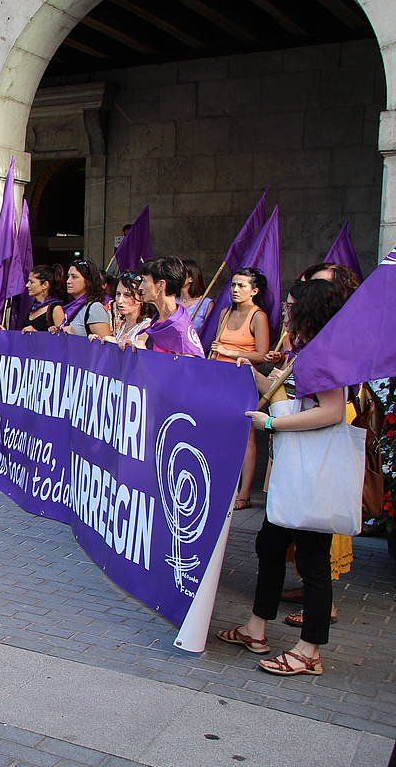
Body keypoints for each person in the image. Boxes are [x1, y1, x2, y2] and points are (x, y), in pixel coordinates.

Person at [217, 279, 351, 677]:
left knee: (312, 558)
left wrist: (273, 423)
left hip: (312, 470)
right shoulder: (305, 351)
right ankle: (257, 628)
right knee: (270, 545)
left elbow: (332, 411)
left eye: (292, 307)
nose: (285, 313)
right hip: (296, 466)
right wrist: (255, 375)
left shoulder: (324, 353)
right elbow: (285, 392)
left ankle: (310, 649)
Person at [209, 267, 272, 510]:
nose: (235, 290)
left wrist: (232, 352)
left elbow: (263, 354)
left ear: (254, 291)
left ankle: (244, 492)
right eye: (233, 285)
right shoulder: (224, 312)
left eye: (242, 286)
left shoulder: (258, 316)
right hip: (217, 379)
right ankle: (221, 485)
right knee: (217, 433)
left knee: (246, 436)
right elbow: (215, 345)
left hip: (241, 380)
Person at [140, 256, 204, 357]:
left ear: (161, 285)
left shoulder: (179, 329)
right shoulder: (158, 319)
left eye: (144, 281)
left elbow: (188, 368)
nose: (140, 287)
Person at [54, 260, 111, 339]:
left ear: (88, 281)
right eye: (68, 276)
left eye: (74, 277)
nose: (68, 281)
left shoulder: (95, 308)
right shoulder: (72, 306)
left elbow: (105, 346)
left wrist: (74, 337)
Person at [97, 272, 153, 350]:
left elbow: (142, 356)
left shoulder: (146, 327)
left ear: (141, 298)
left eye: (127, 295)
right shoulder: (123, 324)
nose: (120, 301)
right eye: (118, 294)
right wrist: (99, 340)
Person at [21, 264, 65, 332]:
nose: (27, 285)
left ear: (45, 285)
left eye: (31, 282)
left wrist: (37, 334)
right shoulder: (33, 307)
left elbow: (62, 338)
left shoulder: (56, 309)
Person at [180, 259, 214, 333]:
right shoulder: (172, 300)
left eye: (180, 273)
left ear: (191, 278)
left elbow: (208, 333)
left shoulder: (206, 304)